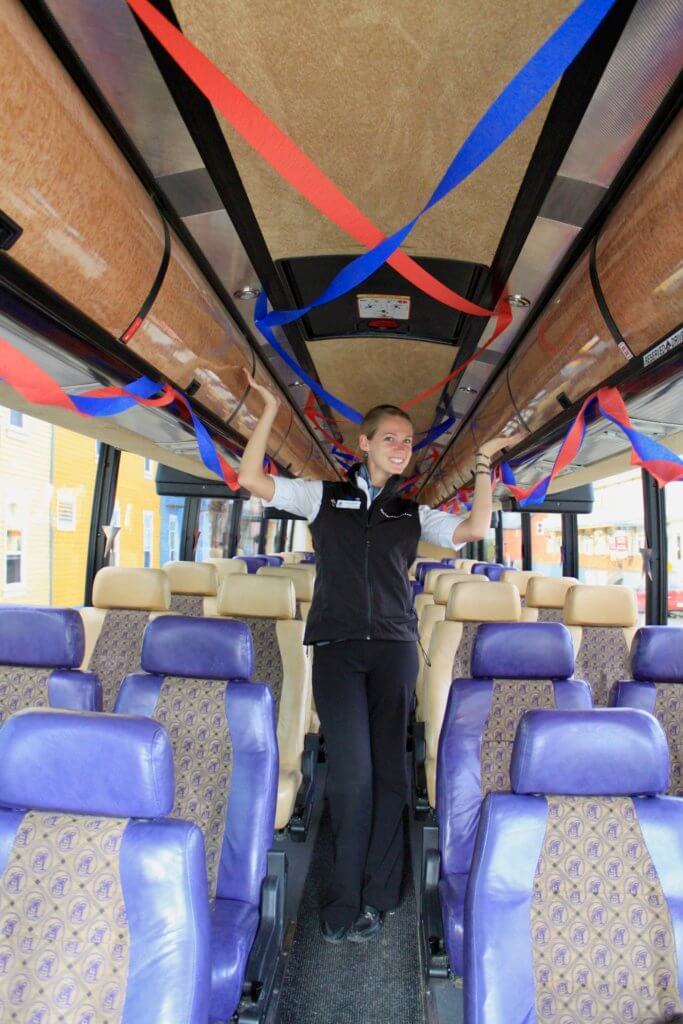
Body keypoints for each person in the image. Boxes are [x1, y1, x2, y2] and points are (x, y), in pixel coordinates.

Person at [237, 370, 520, 943]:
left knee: (390, 773)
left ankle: (380, 891)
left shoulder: (411, 513)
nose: (401, 447)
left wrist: (485, 464)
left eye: (408, 441)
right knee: (352, 776)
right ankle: (344, 897)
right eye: (390, 437)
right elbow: (250, 478)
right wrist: (267, 408)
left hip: (394, 649)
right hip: (339, 651)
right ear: (363, 443)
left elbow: (474, 527)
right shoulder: (323, 496)